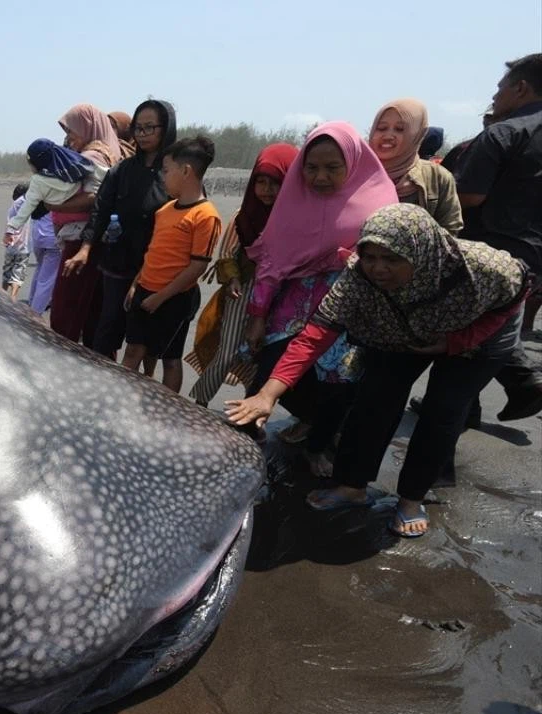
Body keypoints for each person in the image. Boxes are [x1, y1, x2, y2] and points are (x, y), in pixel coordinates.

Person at [227, 204, 529, 539]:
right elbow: (315, 335)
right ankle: (352, 486)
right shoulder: (358, 278)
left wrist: (457, 341)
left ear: (419, 252)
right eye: (370, 256)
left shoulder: (483, 269)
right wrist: (268, 394)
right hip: (402, 329)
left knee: (443, 409)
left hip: (479, 334)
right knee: (375, 398)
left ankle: (411, 500)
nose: (377, 269)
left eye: (391, 259)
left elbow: (514, 297)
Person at [242, 122, 398, 474]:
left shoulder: (381, 200)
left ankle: (318, 445)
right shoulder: (292, 201)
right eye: (311, 167)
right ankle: (242, 439)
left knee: (338, 385)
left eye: (332, 168)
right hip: (294, 305)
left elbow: (389, 261)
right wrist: (257, 316)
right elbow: (271, 262)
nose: (320, 177)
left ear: (352, 163)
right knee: (268, 370)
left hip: (349, 309)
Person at [446, 53, 542, 422]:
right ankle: (518, 384)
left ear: (520, 88)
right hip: (530, 260)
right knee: (489, 338)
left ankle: (442, 454)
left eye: (500, 89)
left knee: (459, 352)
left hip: (487, 256)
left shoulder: (503, 133)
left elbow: (468, 195)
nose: (496, 96)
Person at [64, 99, 178, 360]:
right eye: (139, 128)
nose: (143, 134)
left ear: (166, 129)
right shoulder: (122, 170)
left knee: (145, 340)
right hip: (117, 264)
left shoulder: (175, 174)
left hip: (157, 269)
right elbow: (100, 210)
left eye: (150, 128)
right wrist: (85, 248)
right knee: (107, 330)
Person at [186, 143, 298, 406]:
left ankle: (251, 414)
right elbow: (227, 254)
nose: (267, 191)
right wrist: (233, 278)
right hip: (244, 293)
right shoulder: (243, 216)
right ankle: (199, 404)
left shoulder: (297, 221)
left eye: (276, 183)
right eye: (261, 182)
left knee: (264, 360)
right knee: (226, 353)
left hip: (282, 300)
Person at [120, 136, 222, 392]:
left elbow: (197, 267)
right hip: (145, 290)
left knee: (170, 359)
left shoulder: (206, 216)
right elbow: (153, 253)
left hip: (175, 299)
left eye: (166, 171)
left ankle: (169, 416)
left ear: (186, 171)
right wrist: (136, 285)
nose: (162, 177)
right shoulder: (164, 210)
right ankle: (120, 399)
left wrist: (161, 297)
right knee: (133, 349)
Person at [47, 103, 122, 347]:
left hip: (81, 241)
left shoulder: (93, 156)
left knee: (65, 310)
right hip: (91, 240)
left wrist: (54, 204)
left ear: (88, 128)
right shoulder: (107, 152)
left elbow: (94, 196)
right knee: (90, 312)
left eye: (72, 131)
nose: (68, 139)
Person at [367, 99, 462, 234]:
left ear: (417, 134)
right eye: (381, 128)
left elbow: (450, 228)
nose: (388, 135)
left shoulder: (437, 177)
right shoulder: (355, 172)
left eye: (400, 129)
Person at [2, 139, 98, 243]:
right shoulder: (75, 169)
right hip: (85, 219)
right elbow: (98, 173)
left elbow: (27, 206)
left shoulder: (38, 181)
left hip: (63, 224)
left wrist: (11, 228)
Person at [2, 183, 32, 301]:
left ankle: (3, 293)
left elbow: (10, 222)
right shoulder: (33, 204)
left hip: (12, 243)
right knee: (19, 271)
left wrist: (7, 236)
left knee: (7, 270)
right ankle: (13, 296)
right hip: (25, 245)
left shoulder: (16, 204)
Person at [27, 211, 60, 315]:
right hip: (53, 240)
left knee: (40, 269)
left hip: (38, 236)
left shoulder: (42, 197)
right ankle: (35, 312)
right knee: (47, 280)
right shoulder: (61, 198)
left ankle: (31, 302)